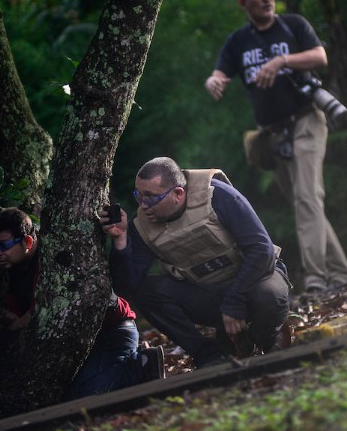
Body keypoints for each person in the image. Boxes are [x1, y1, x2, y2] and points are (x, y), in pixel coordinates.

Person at [204, 0, 347, 295]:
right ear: (243, 2)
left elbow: (320, 56)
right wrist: (214, 81)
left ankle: (317, 280)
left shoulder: (294, 26)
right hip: (272, 135)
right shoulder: (238, 41)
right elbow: (219, 73)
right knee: (304, 202)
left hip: (306, 121)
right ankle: (342, 274)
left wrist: (281, 60)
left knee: (307, 198)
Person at [102, 157, 291, 368]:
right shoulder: (142, 226)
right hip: (209, 293)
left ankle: (263, 335)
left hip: (256, 281)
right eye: (139, 195)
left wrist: (234, 301)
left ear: (178, 194)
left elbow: (261, 250)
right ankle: (209, 354)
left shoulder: (217, 195)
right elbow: (126, 286)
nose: (143, 205)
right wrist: (120, 241)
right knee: (147, 292)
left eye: (151, 197)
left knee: (269, 298)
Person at [0, 207, 164, 399]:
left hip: (113, 331)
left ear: (27, 242)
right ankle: (126, 363)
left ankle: (144, 362)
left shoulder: (54, 259)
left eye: (3, 246)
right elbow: (20, 320)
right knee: (67, 394)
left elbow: (38, 314)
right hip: (85, 342)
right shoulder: (14, 271)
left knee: (87, 396)